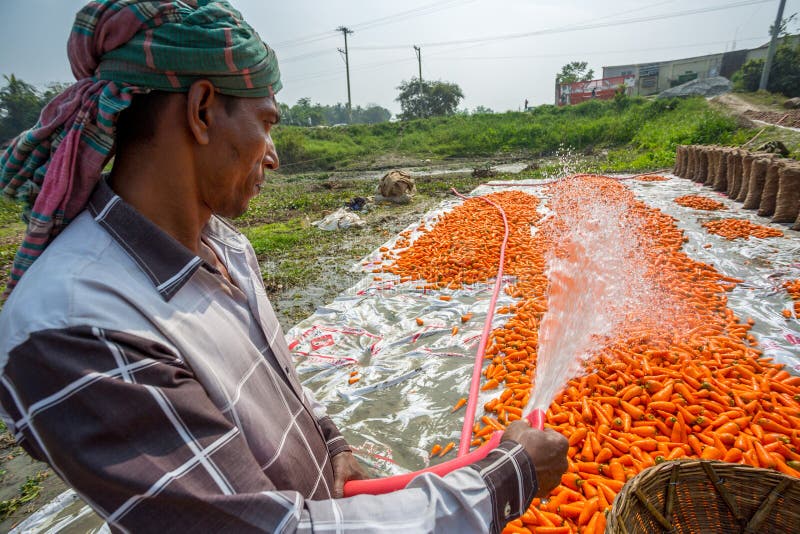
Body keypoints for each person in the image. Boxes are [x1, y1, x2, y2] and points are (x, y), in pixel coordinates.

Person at [0, 1, 568, 532]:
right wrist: (506, 478)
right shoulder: (73, 326)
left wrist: (331, 444)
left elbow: (280, 387)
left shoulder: (226, 248)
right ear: (201, 111)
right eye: (267, 123)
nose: (272, 153)